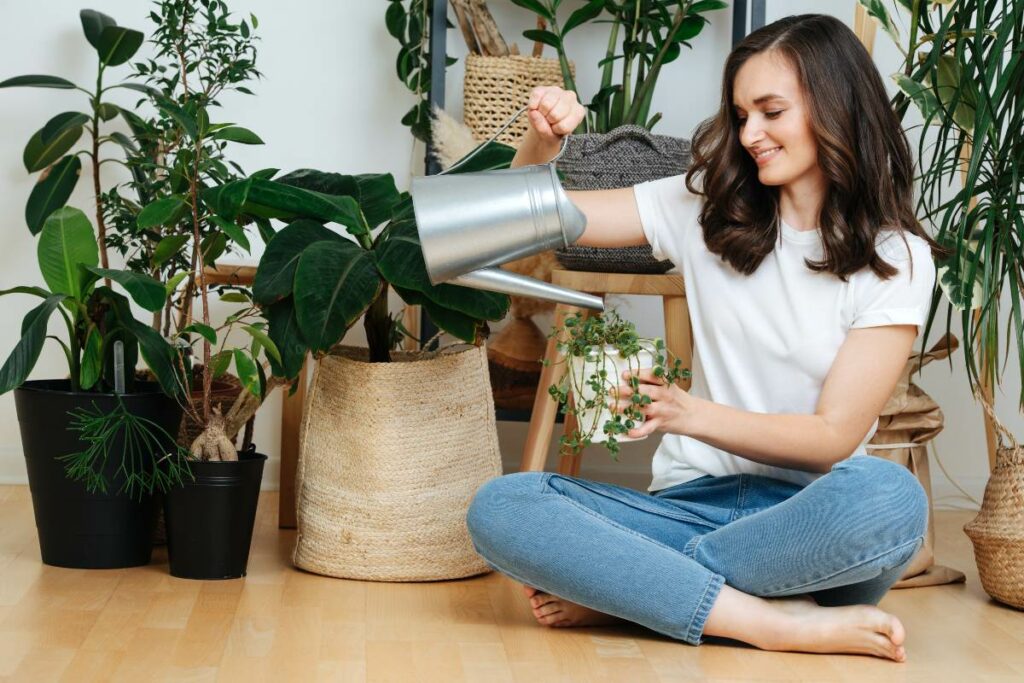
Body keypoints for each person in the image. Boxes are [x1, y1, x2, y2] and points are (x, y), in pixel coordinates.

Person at [465, 14, 941, 662]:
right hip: (686, 505)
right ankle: (769, 621)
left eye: (770, 111)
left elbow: (833, 437)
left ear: (834, 106)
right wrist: (541, 145)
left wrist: (689, 412)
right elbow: (520, 225)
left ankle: (637, 587)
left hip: (808, 526)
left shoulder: (897, 255)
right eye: (741, 114)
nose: (750, 134)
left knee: (892, 498)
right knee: (504, 504)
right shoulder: (700, 208)